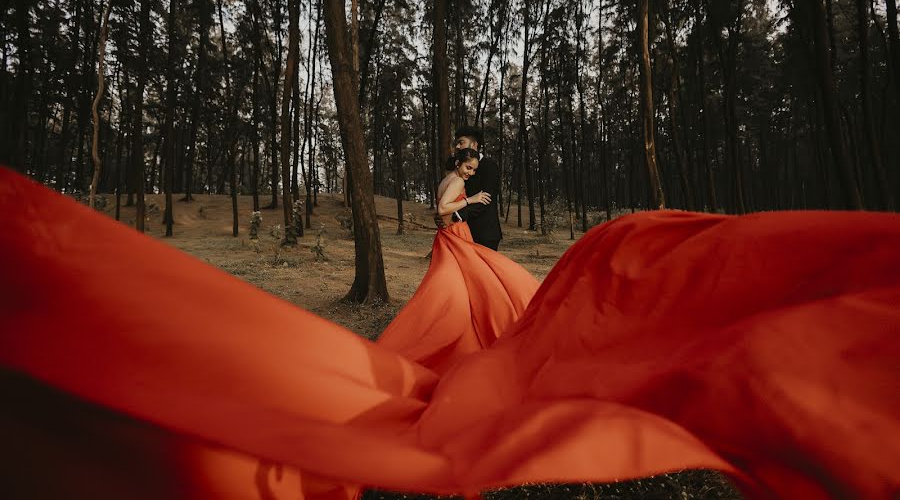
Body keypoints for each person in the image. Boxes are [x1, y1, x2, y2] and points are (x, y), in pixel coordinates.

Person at [2, 165, 900, 500]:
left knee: (497, 303)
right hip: (454, 240)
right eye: (466, 160)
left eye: (471, 163)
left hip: (477, 243)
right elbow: (440, 208)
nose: (470, 166)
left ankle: (492, 346)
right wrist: (464, 203)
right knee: (465, 305)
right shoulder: (450, 184)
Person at [377, 147, 540, 375]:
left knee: (459, 285)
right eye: (467, 167)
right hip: (456, 236)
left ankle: (463, 328)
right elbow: (443, 208)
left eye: (474, 169)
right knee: (481, 279)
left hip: (448, 235)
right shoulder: (457, 183)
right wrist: (470, 200)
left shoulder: (447, 179)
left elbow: (440, 212)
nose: (470, 173)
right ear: (458, 164)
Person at [439, 126, 502, 250]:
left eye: (461, 142)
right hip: (463, 231)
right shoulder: (457, 166)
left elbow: (485, 200)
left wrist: (455, 216)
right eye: (457, 143)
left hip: (484, 233)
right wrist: (443, 215)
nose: (457, 147)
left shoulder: (489, 166)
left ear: (474, 145)